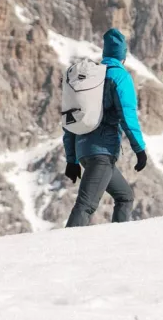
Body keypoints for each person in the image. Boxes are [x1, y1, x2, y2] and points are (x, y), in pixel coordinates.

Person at [63, 28, 148, 227]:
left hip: (84, 151)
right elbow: (128, 116)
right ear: (123, 56)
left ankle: (117, 241)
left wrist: (72, 159)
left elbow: (70, 120)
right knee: (85, 206)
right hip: (102, 153)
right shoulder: (119, 77)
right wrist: (140, 149)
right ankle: (64, 249)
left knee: (125, 196)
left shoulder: (92, 77)